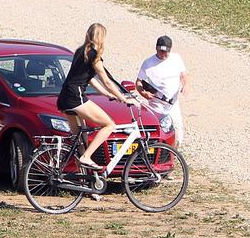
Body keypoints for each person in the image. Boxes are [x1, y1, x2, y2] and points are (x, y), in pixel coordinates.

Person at [57, 22, 140, 173]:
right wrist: (123, 98)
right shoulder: (94, 55)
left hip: (64, 97)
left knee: (80, 139)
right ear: (101, 38)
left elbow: (89, 78)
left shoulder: (80, 51)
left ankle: (84, 181)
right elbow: (106, 80)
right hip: (75, 97)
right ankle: (86, 157)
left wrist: (106, 94)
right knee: (109, 125)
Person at [135, 34, 189, 142]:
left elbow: (184, 75)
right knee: (160, 130)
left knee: (177, 131)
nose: (163, 54)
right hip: (157, 104)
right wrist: (143, 93)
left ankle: (174, 153)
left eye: (166, 52)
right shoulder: (148, 63)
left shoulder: (176, 58)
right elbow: (138, 82)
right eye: (161, 51)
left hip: (173, 104)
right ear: (156, 48)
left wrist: (186, 85)